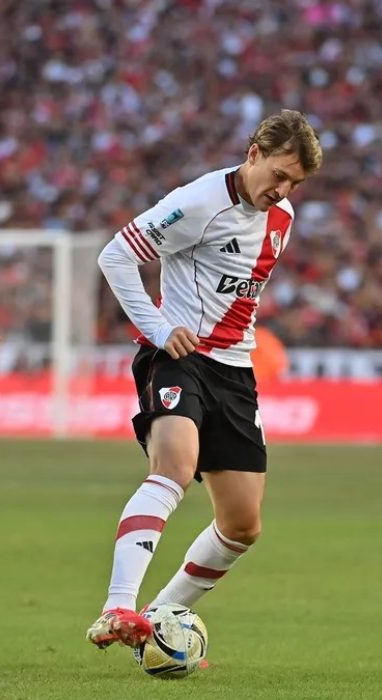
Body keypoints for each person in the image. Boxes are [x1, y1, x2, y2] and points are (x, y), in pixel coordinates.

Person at [86, 110, 323, 650]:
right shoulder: (197, 203)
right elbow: (115, 255)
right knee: (174, 466)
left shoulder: (282, 217)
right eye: (279, 175)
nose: (283, 191)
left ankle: (157, 620)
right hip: (178, 354)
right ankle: (116, 606)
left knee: (242, 525)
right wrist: (157, 328)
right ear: (254, 153)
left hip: (235, 370)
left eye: (295, 183)